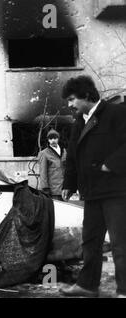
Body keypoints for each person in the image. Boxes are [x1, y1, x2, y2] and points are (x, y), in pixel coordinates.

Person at [59, 75, 126, 298]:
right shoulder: (79, 122)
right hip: (92, 192)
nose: (69, 105)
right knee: (90, 242)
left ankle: (124, 290)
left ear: (87, 96)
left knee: (120, 244)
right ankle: (88, 286)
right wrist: (68, 183)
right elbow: (73, 157)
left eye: (71, 99)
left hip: (117, 191)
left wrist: (112, 164)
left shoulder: (116, 113)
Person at [37, 129, 66, 200]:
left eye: (55, 138)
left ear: (58, 139)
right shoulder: (44, 153)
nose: (53, 140)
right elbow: (43, 172)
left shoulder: (64, 151)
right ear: (48, 140)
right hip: (53, 190)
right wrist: (45, 188)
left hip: (64, 189)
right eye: (50, 138)